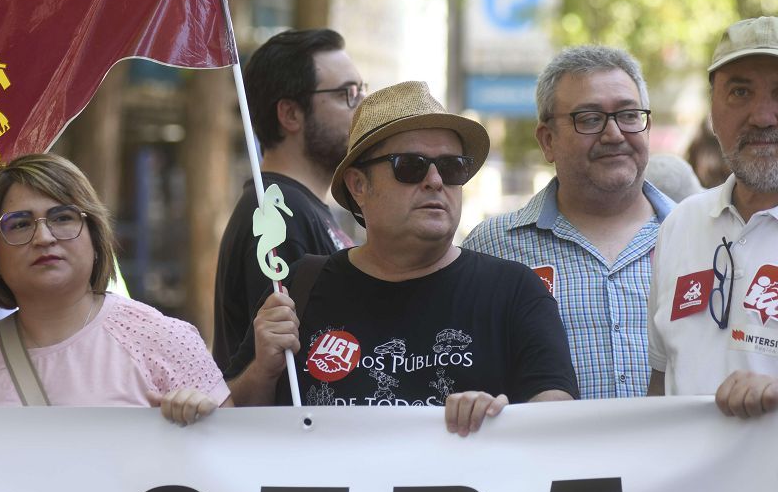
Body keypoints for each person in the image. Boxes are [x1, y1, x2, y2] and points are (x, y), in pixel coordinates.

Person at [226, 81, 578, 436]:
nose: (436, 180)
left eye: (452, 167)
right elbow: (228, 426)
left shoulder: (514, 290)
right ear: (358, 186)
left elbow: (558, 420)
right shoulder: (301, 287)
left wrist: (502, 418)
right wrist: (262, 370)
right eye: (410, 166)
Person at [0, 154, 230, 430]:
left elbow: (237, 459)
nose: (44, 237)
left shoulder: (162, 339)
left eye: (63, 217)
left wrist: (203, 422)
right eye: (20, 224)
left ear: (95, 236)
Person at [464, 46, 672, 400]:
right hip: (541, 456)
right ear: (548, 141)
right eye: (589, 119)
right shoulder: (492, 249)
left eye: (629, 115)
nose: (614, 134)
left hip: (684, 456)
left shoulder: (701, 238)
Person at [648, 16, 778, 417]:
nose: (762, 116)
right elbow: (661, 377)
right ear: (713, 110)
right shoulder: (680, 225)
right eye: (740, 91)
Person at [213, 29, 359, 369]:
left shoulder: (299, 206)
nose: (362, 107)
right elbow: (292, 369)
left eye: (362, 91)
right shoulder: (276, 213)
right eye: (346, 94)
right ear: (290, 114)